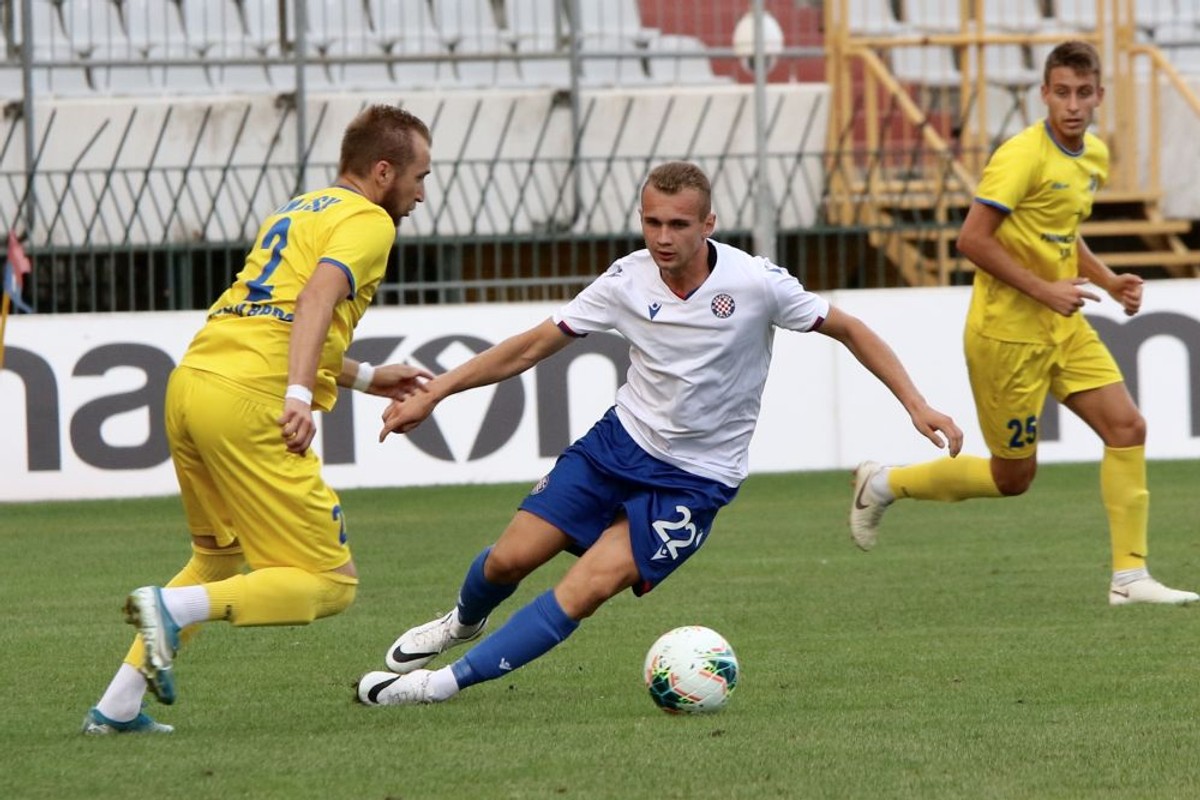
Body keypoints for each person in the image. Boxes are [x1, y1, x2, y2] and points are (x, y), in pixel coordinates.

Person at [354, 160, 964, 707]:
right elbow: (532, 346)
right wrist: (436, 391)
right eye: (652, 223)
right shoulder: (626, 280)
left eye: (678, 224)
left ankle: (438, 685)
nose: (663, 238)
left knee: (587, 586)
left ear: (709, 224)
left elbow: (850, 328)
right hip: (617, 445)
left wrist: (916, 404)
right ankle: (461, 622)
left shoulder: (756, 284)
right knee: (509, 558)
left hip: (694, 482)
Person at [81, 105, 435, 734]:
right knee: (329, 583)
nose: (421, 193)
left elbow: (274, 314)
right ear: (384, 172)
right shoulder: (369, 221)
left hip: (193, 384)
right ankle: (169, 608)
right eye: (419, 177)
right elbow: (315, 299)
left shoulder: (301, 209)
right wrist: (297, 395)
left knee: (216, 558)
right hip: (252, 399)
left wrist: (361, 375)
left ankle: (116, 708)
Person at [848, 41, 1197, 606]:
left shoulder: (1094, 157)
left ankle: (1129, 579)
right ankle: (885, 482)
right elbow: (971, 239)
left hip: (1063, 326)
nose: (1073, 104)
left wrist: (1106, 280)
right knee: (1014, 480)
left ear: (1100, 96)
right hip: (1007, 336)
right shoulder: (1020, 156)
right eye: (1062, 92)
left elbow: (1060, 232)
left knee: (1128, 428)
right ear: (1044, 95)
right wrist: (1043, 289)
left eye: (1084, 93)